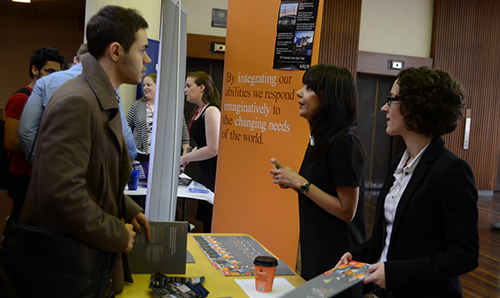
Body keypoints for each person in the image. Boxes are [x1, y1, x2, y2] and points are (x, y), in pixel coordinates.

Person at [15, 5, 152, 295]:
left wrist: (127, 209)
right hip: (66, 267)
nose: (147, 59)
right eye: (142, 50)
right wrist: (117, 233)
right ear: (116, 51)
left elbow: (92, 174)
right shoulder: (78, 101)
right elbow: (62, 192)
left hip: (81, 260)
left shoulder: (100, 98)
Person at [336, 67, 479, 298]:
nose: (384, 107)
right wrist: (357, 255)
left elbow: (464, 256)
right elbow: (392, 235)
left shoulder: (452, 171)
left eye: (391, 100)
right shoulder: (397, 163)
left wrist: (394, 273)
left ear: (414, 107)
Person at [269, 64, 366, 297]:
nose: (299, 93)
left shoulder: (344, 143)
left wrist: (301, 183)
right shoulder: (320, 138)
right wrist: (293, 182)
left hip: (338, 257)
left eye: (310, 88)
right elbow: (319, 189)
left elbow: (347, 211)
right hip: (315, 248)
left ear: (329, 98)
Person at [18, 43, 138, 162]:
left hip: (52, 165)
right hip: (92, 169)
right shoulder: (108, 86)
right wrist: (131, 156)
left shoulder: (45, 82)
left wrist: (40, 162)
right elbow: (122, 133)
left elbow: (26, 131)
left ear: (75, 60)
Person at [4, 46, 64, 203]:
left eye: (58, 73)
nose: (54, 77)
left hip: (42, 172)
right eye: (49, 71)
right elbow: (10, 142)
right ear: (35, 70)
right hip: (23, 175)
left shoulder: (49, 98)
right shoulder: (21, 99)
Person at [180, 71, 221, 233]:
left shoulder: (211, 111)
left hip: (214, 174)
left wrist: (182, 159)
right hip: (205, 172)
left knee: (211, 219)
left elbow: (213, 148)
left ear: (202, 88)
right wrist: (186, 159)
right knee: (204, 218)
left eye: (189, 86)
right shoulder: (199, 111)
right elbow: (202, 143)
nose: (185, 90)